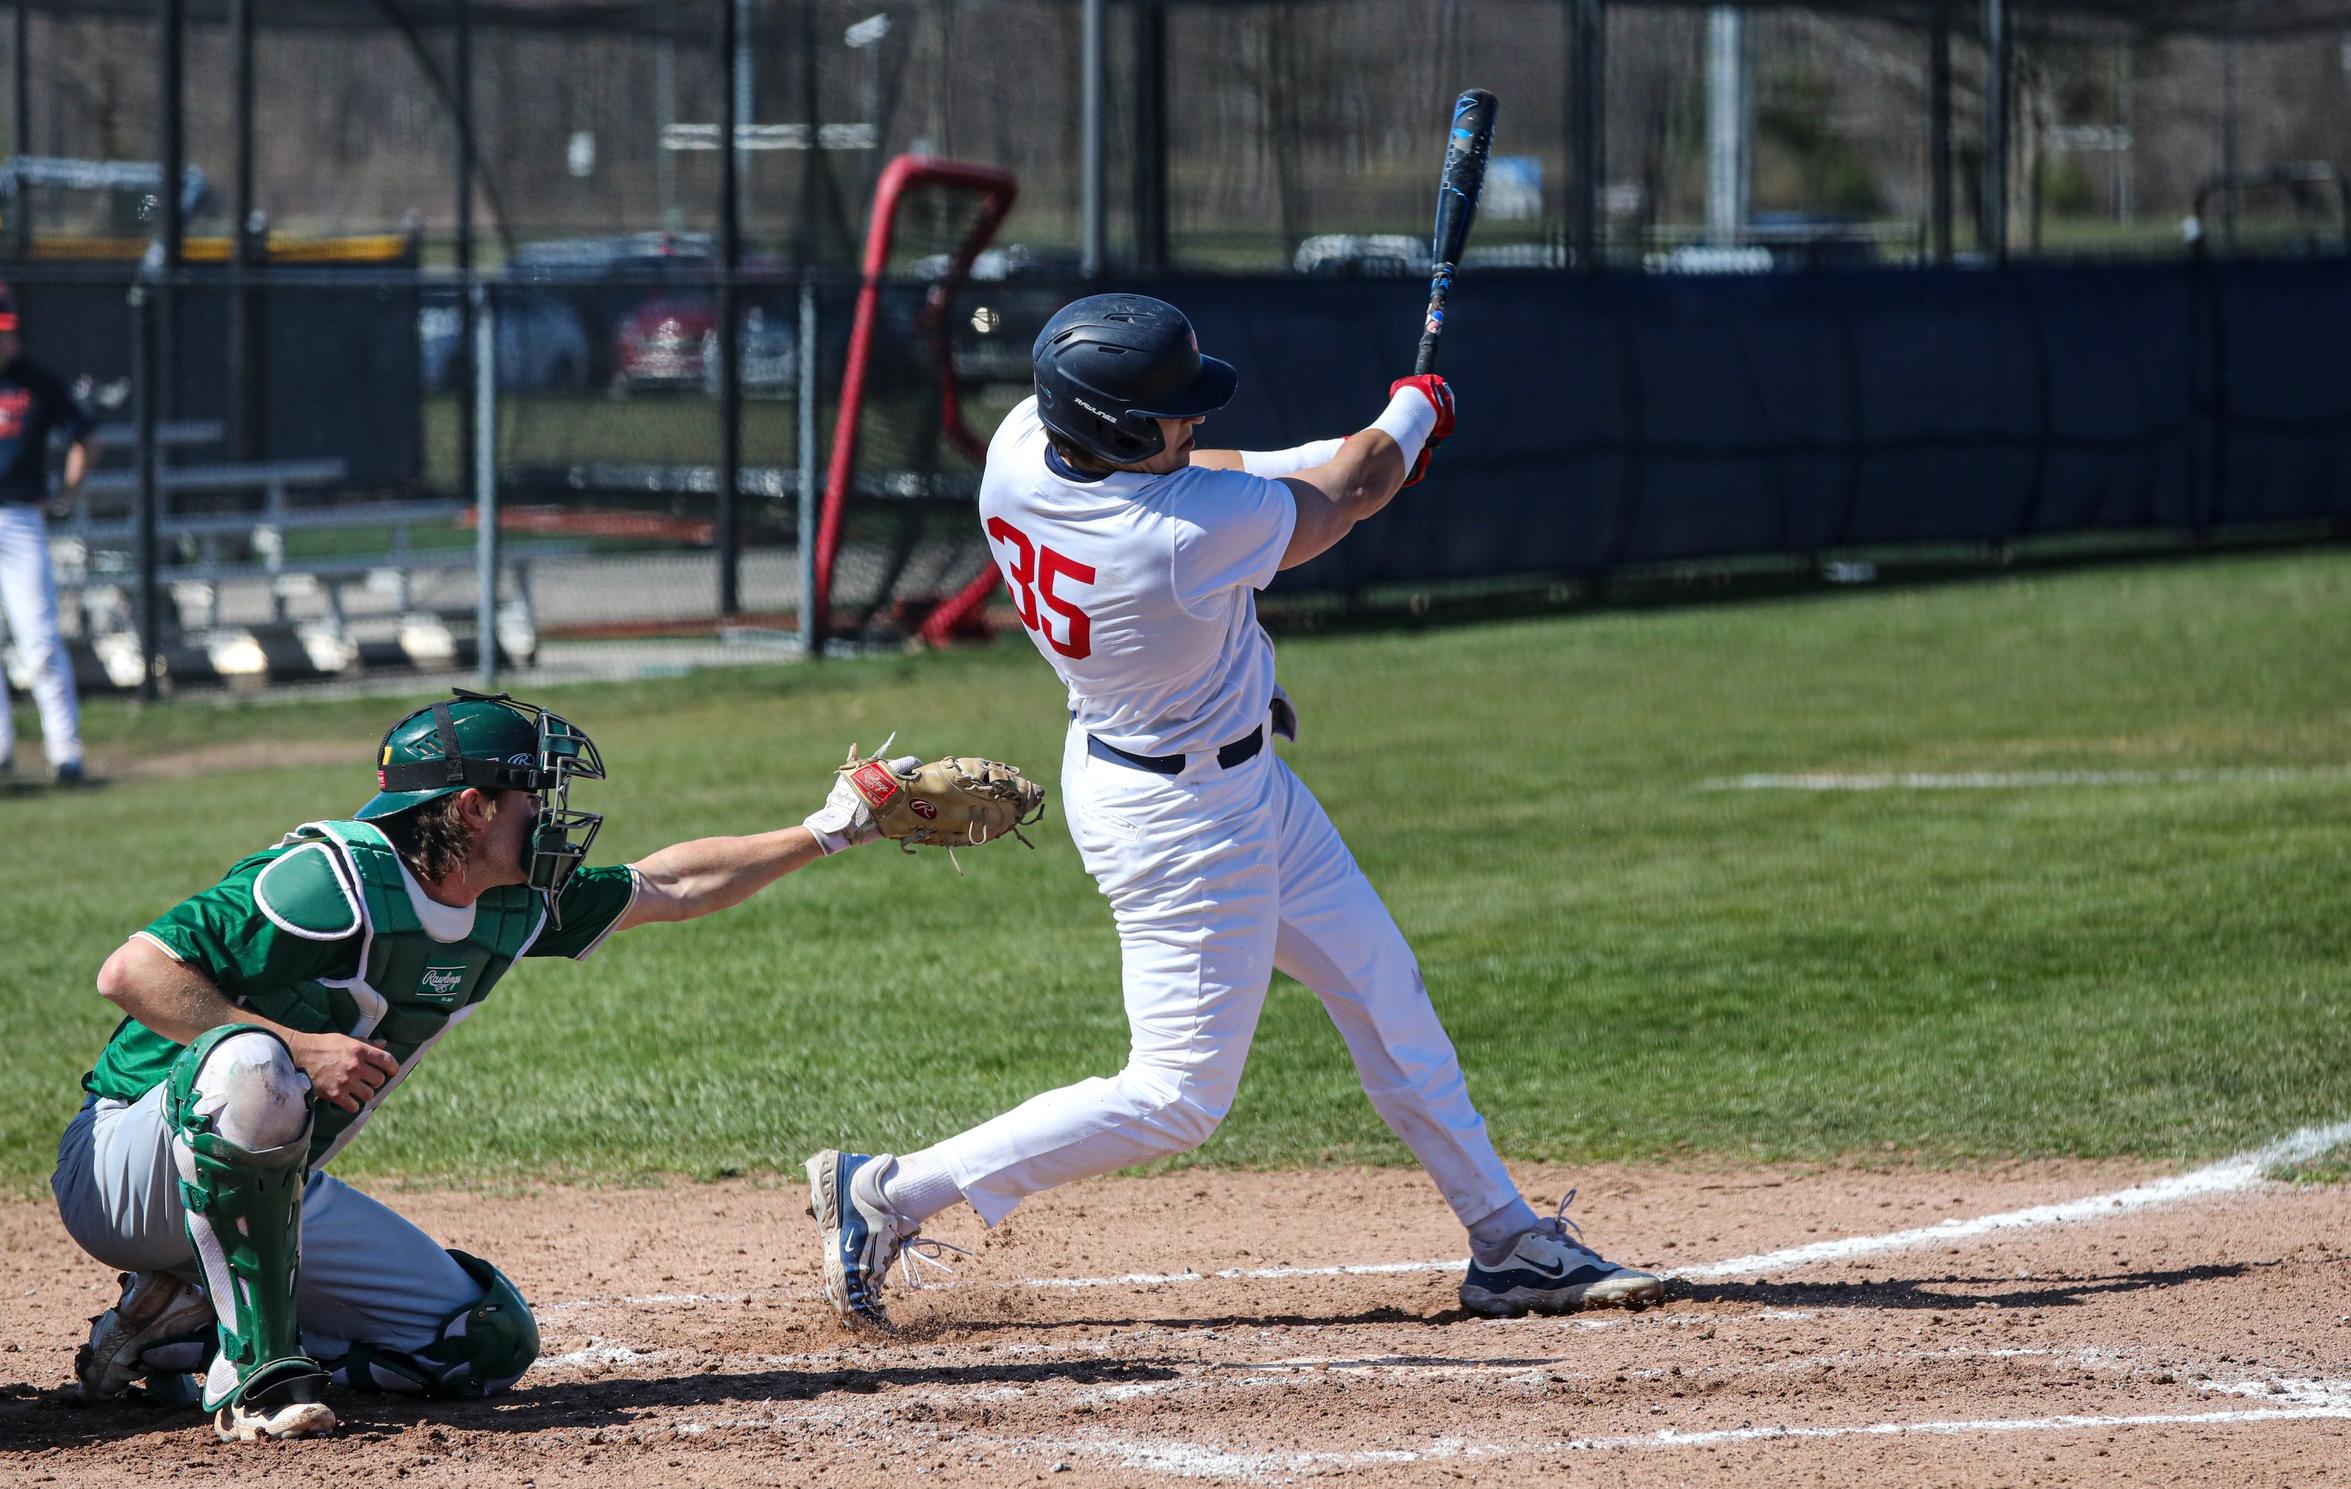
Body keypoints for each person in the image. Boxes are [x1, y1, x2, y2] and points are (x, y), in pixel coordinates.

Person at [805, 294, 1662, 1329]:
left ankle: (1506, 1240)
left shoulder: (1024, 444)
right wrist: (1413, 416)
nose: (1192, 422)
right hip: (1180, 821)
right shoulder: (1172, 539)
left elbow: (1244, 475)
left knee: (1382, 989)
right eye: (1172, 413)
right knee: (1175, 1094)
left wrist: (1358, 448)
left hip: (1210, 776)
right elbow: (1350, 492)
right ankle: (887, 1193)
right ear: (1119, 429)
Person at [53, 688, 929, 1442]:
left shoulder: (509, 904)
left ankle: (171, 1336)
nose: (548, 813)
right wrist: (298, 1045)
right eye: (531, 794)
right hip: (123, 1165)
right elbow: (131, 971)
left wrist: (830, 829)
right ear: (473, 807)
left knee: (480, 1339)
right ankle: (258, 1375)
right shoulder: (329, 881)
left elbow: (670, 885)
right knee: (254, 1064)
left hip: (269, 1182)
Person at [0, 278, 95, 783]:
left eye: (6, 331)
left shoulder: (36, 381)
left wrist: (67, 491)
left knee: (37, 638)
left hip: (18, 517)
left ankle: (65, 751)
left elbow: (85, 436)